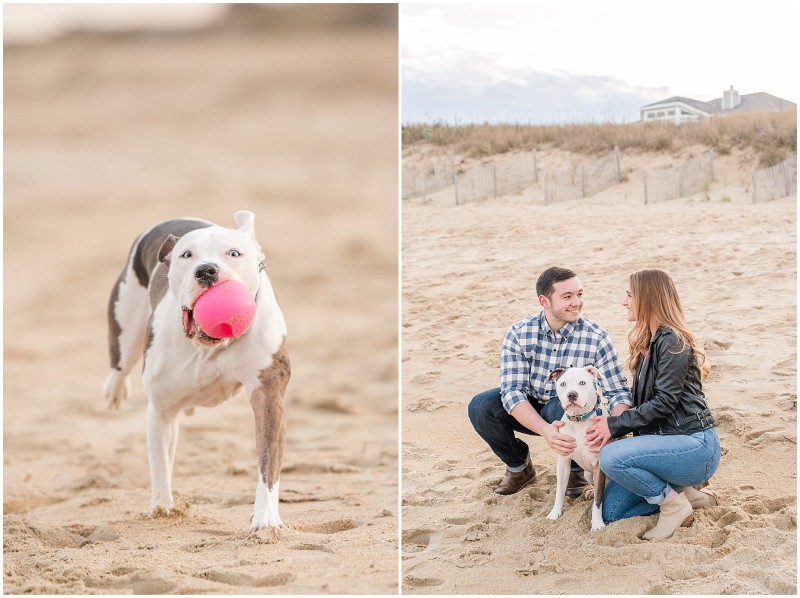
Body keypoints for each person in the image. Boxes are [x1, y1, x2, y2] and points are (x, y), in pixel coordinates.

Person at [468, 266, 633, 497]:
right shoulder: (519, 333)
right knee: (481, 406)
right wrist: (546, 431)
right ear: (544, 301)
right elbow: (512, 392)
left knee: (561, 405)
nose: (577, 302)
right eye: (567, 297)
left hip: (574, 413)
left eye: (580, 294)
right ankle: (519, 469)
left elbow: (617, 392)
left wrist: (612, 428)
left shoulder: (596, 337)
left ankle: (575, 470)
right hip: (531, 408)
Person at [585, 268, 720, 540]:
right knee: (612, 513)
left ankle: (673, 507)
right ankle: (684, 493)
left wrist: (614, 426)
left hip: (694, 446)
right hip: (666, 446)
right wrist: (608, 421)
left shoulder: (672, 342)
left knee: (612, 458)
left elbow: (664, 403)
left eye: (629, 295)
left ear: (647, 298)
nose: (624, 302)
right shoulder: (650, 341)